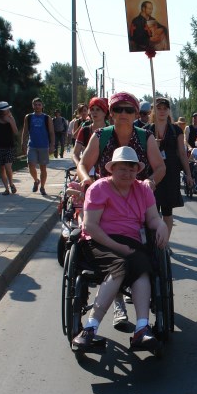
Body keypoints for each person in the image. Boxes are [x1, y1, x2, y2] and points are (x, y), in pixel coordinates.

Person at [78, 92, 166, 328]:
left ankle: (143, 314)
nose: (123, 114)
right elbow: (84, 165)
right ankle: (113, 308)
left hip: (137, 196)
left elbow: (159, 167)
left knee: (145, 248)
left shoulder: (145, 137)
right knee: (114, 254)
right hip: (104, 199)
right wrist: (87, 180)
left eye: (129, 110)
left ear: (136, 114)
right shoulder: (100, 136)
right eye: (118, 110)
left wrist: (151, 182)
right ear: (111, 113)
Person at [71, 146, 169, 352]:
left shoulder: (142, 189)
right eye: (123, 169)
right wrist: (119, 248)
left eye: (132, 169)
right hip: (98, 242)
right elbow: (90, 226)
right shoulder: (99, 188)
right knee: (121, 266)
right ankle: (90, 328)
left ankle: (142, 328)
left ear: (137, 171)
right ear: (112, 169)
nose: (128, 173)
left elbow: (152, 218)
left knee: (142, 266)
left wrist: (161, 226)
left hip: (130, 241)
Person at [145, 97, 193, 240]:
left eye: (164, 108)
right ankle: (151, 243)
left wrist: (188, 174)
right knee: (150, 210)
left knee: (167, 211)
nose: (162, 111)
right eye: (158, 108)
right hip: (152, 173)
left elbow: (182, 153)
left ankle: (165, 242)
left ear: (168, 111)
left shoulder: (175, 129)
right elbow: (141, 152)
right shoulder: (147, 130)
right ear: (154, 110)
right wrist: (154, 146)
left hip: (171, 173)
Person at [21, 97, 54, 196]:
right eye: (35, 104)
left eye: (39, 104)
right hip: (32, 145)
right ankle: (36, 180)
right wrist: (23, 143)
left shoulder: (47, 118)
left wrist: (52, 145)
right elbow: (25, 131)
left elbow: (52, 132)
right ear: (33, 106)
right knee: (31, 165)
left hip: (43, 146)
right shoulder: (29, 117)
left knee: (43, 168)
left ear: (42, 106)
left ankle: (42, 187)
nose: (37, 106)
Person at [0, 101, 18, 195]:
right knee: (2, 168)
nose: (8, 110)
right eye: (6, 109)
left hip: (9, 146)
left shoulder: (11, 118)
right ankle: (6, 188)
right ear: (1, 111)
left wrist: (10, 121)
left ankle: (11, 184)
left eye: (8, 109)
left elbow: (16, 132)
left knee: (8, 166)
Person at [72, 97, 108, 167]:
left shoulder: (111, 130)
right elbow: (75, 154)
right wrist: (79, 165)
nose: (94, 112)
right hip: (87, 169)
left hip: (106, 171)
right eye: (92, 109)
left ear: (104, 112)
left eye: (98, 109)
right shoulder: (84, 130)